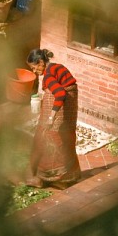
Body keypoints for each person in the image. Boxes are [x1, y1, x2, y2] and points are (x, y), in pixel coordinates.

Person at [26, 48, 81, 189]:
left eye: (34, 68)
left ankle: (48, 177)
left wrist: (51, 116)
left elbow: (61, 93)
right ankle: (67, 177)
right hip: (70, 106)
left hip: (61, 104)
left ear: (40, 62)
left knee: (47, 137)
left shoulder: (49, 76)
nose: (34, 71)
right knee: (66, 134)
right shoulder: (55, 67)